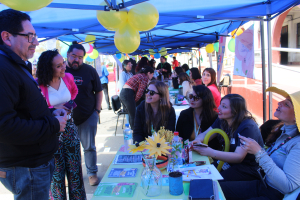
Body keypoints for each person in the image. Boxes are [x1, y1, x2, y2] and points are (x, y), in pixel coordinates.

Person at [0, 9, 67, 199]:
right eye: (30, 37)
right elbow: (4, 126)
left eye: (35, 37)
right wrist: (53, 124)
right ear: (6, 37)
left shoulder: (15, 65)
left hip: (32, 165)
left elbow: (24, 109)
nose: (36, 43)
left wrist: (50, 113)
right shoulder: (3, 68)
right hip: (26, 166)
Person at [220, 87, 300, 200]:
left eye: (287, 104)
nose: (280, 102)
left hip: (275, 194)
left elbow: (288, 186)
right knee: (217, 189)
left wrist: (259, 152)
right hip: (263, 184)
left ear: (297, 117)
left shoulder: (297, 144)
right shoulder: (283, 131)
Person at [36, 49, 86, 200]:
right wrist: (54, 109)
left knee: (75, 170)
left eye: (63, 63)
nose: (64, 67)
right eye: (58, 66)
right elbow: (37, 109)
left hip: (70, 128)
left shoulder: (68, 77)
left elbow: (74, 92)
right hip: (52, 132)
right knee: (56, 174)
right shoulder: (38, 85)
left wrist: (68, 105)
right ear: (48, 68)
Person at [193, 94, 264, 182]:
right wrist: (197, 141)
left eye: (224, 106)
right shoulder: (222, 120)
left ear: (235, 111)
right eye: (220, 104)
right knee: (200, 174)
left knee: (214, 182)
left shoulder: (248, 127)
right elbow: (205, 134)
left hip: (248, 168)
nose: (218, 108)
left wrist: (210, 152)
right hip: (229, 162)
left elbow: (239, 157)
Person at [65, 41, 103, 186]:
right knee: (69, 148)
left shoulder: (89, 70)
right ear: (68, 54)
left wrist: (97, 111)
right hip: (66, 118)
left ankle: (92, 173)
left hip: (88, 116)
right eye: (74, 56)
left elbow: (98, 91)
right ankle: (72, 175)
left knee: (89, 147)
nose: (77, 59)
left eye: (80, 57)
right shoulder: (60, 70)